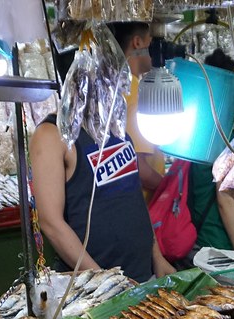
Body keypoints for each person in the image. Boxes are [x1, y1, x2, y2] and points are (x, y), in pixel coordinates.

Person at [29, 36, 175, 281]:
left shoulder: (113, 124)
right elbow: (51, 223)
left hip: (141, 274)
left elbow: (133, 197)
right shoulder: (51, 135)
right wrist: (103, 279)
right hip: (96, 290)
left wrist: (156, 257)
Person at [185, 49, 234, 257]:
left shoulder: (199, 129)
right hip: (217, 244)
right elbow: (225, 201)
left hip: (197, 240)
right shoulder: (220, 137)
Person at [114, 21, 165, 199]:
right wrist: (170, 190)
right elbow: (137, 165)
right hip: (145, 207)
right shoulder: (134, 92)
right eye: (152, 42)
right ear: (138, 43)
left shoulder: (114, 86)